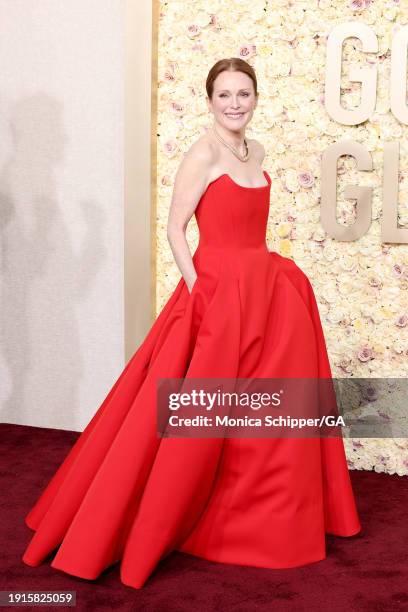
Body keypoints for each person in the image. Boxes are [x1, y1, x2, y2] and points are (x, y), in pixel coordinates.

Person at [22, 57, 361, 590]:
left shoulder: (257, 150)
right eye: (224, 95)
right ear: (209, 100)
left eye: (243, 94)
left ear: (255, 97)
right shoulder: (202, 153)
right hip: (219, 290)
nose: (234, 103)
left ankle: (261, 514)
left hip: (266, 288)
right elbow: (177, 229)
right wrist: (199, 290)